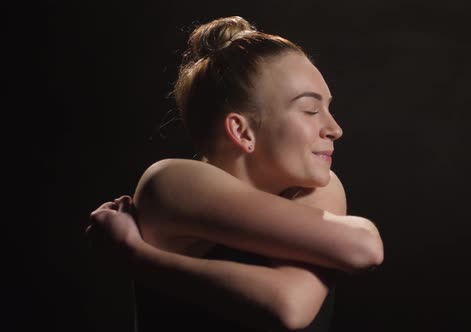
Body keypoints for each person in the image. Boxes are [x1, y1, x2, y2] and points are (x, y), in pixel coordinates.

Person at [87, 16, 384, 332]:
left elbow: (362, 250)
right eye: (311, 110)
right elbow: (288, 307)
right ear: (242, 131)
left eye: (328, 108)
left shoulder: (316, 186)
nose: (335, 129)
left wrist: (136, 258)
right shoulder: (171, 183)